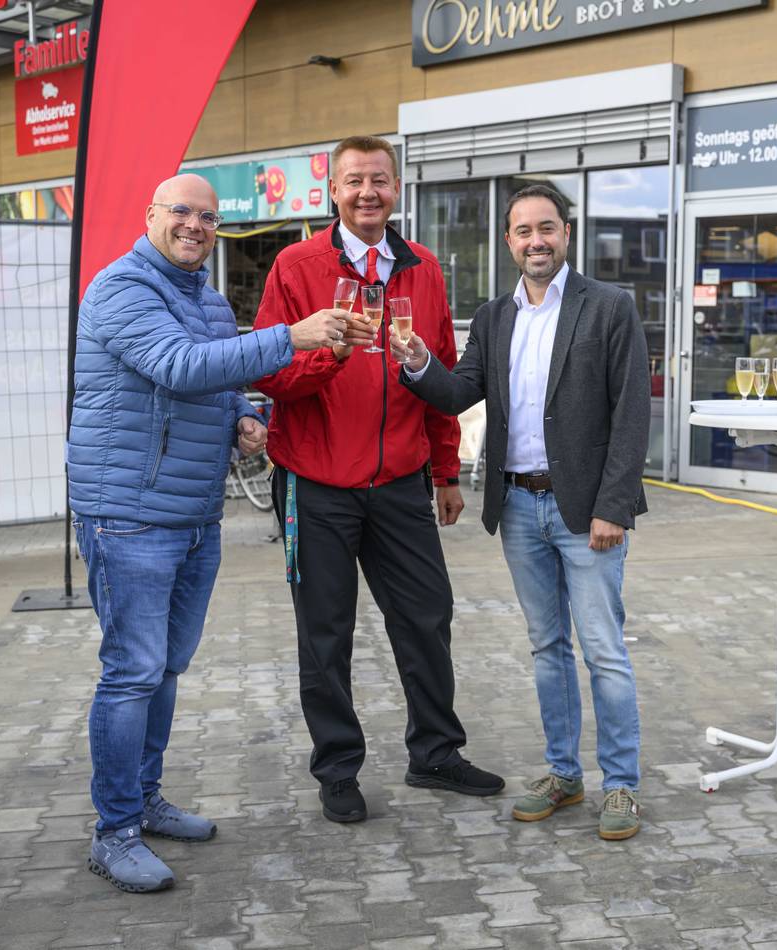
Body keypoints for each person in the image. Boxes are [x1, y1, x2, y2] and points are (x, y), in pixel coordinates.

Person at [67, 173, 345, 892]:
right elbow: (178, 366)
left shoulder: (213, 301)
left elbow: (217, 386)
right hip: (128, 514)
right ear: (151, 214)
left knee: (163, 669)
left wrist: (248, 417)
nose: (195, 225)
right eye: (182, 212)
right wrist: (291, 336)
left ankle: (146, 800)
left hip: (192, 515)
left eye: (209, 218)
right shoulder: (121, 288)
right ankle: (114, 830)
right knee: (132, 673)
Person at [253, 135, 504, 823]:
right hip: (317, 484)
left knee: (427, 617)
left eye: (380, 181)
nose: (368, 192)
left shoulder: (421, 267)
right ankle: (337, 768)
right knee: (326, 633)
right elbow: (266, 372)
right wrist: (328, 356)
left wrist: (446, 470)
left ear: (398, 189)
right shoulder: (295, 265)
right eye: (354, 181)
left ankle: (435, 754)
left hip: (401, 482)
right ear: (332, 190)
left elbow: (442, 378)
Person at [391, 182, 650, 840]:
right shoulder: (493, 316)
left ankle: (620, 785)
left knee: (605, 653)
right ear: (508, 241)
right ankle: (564, 775)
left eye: (546, 228)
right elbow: (459, 392)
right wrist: (419, 361)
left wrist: (613, 506)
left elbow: (631, 418)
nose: (535, 240)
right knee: (547, 649)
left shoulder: (610, 306)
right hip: (520, 509)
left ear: (566, 232)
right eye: (522, 230)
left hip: (588, 514)